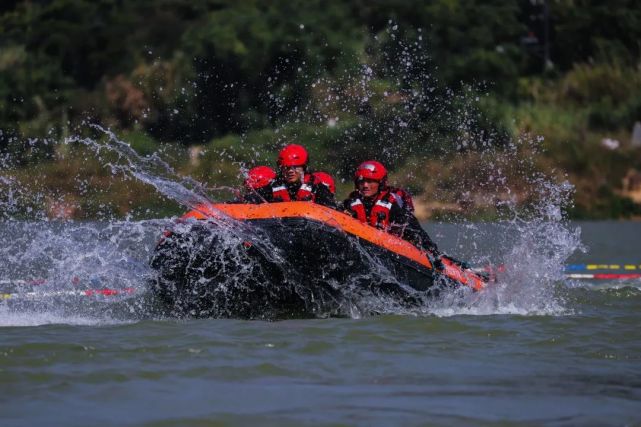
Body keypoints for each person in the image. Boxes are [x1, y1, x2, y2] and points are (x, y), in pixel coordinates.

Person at [342, 160, 439, 254]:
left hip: (389, 251)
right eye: (361, 181)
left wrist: (431, 250)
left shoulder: (392, 206)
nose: (365, 185)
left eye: (370, 181)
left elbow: (415, 229)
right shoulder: (350, 203)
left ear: (380, 184)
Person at [270, 144, 336, 207]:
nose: (290, 171)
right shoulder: (272, 186)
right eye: (286, 168)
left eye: (295, 167)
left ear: (303, 168)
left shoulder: (317, 188)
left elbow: (331, 211)